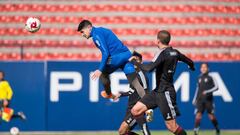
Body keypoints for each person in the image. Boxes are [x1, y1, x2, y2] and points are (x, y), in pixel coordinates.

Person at [129, 30, 195, 135]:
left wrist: (134, 62)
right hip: (157, 91)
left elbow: (149, 68)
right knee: (135, 110)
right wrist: (191, 66)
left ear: (158, 41)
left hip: (165, 92)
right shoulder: (175, 52)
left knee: (172, 127)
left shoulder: (162, 53)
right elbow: (190, 61)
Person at [77, 20, 145, 99]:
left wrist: (100, 70)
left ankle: (108, 93)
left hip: (116, 58)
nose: (82, 35)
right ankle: (147, 105)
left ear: (89, 27)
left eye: (82, 32)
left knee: (103, 73)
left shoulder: (96, 35)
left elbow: (106, 53)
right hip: (127, 55)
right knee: (136, 84)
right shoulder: (102, 30)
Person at [113, 51, 152, 135]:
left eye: (137, 60)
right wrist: (121, 94)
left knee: (124, 130)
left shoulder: (141, 75)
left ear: (141, 62)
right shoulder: (133, 75)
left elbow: (146, 92)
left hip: (138, 107)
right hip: (130, 107)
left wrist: (148, 109)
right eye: (133, 59)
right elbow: (132, 91)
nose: (134, 62)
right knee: (123, 132)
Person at [192, 63, 220, 135]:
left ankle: (217, 128)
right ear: (200, 69)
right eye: (202, 67)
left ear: (208, 68)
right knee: (198, 114)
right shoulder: (199, 77)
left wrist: (207, 92)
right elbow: (197, 89)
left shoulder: (211, 77)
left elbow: (216, 87)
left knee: (211, 116)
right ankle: (196, 130)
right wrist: (194, 98)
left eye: (205, 67)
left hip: (208, 100)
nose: (203, 68)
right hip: (200, 100)